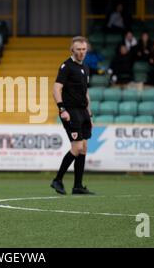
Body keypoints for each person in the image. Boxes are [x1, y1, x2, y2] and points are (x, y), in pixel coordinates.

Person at [51, 36, 94, 195]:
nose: (81, 52)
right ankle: (57, 179)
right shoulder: (66, 66)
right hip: (71, 111)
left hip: (83, 112)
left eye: (84, 49)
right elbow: (56, 89)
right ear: (72, 50)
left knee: (83, 148)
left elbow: (85, 92)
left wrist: (89, 112)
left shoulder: (86, 67)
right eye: (78, 49)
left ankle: (77, 186)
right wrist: (62, 109)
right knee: (76, 148)